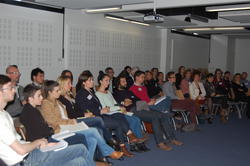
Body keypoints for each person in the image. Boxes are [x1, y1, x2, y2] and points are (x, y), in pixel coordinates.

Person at [0, 74, 94, 166]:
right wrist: (39, 142)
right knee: (81, 149)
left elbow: (21, 141)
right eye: (10, 88)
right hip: (25, 160)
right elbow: (21, 150)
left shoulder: (5, 113)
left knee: (80, 161)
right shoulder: (2, 118)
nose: (14, 91)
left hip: (31, 152)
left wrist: (40, 144)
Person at [40, 80, 123, 160]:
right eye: (57, 91)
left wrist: (72, 122)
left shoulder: (58, 102)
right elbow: (53, 122)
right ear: (49, 92)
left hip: (69, 125)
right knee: (94, 129)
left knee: (93, 140)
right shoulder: (46, 103)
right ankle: (108, 151)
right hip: (61, 129)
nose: (59, 92)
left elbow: (66, 116)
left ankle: (89, 162)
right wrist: (72, 122)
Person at [75, 71, 139, 157]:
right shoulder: (81, 93)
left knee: (118, 119)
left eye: (92, 80)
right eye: (90, 80)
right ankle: (122, 143)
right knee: (117, 123)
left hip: (100, 115)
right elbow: (85, 110)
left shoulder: (91, 91)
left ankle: (123, 147)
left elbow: (98, 105)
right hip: (93, 118)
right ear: (83, 82)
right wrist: (100, 111)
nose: (92, 82)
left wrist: (103, 109)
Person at [113, 75, 183, 151]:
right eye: (123, 81)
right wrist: (123, 102)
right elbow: (115, 104)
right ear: (118, 83)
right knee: (155, 116)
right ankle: (160, 143)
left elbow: (138, 100)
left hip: (141, 106)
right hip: (132, 110)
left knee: (163, 115)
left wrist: (146, 103)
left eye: (125, 81)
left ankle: (172, 138)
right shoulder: (115, 93)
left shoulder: (129, 91)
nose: (126, 83)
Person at [57, 76, 116, 145]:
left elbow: (77, 109)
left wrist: (86, 113)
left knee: (98, 129)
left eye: (71, 83)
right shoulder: (60, 99)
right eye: (69, 83)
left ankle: (105, 152)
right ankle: (110, 140)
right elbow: (70, 114)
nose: (71, 85)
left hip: (80, 117)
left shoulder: (70, 96)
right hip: (74, 121)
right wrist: (84, 114)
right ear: (62, 85)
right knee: (98, 119)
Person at [95, 71, 147, 143]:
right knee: (132, 120)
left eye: (109, 81)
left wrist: (120, 106)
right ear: (100, 81)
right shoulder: (98, 94)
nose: (108, 83)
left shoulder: (108, 92)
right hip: (110, 114)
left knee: (135, 119)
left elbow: (115, 103)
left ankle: (137, 139)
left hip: (116, 111)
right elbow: (106, 108)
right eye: (106, 81)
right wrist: (119, 108)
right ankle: (134, 138)